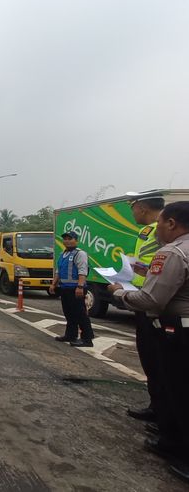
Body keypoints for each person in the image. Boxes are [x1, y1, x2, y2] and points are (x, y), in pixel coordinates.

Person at [107, 201, 189, 482]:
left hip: (177, 330)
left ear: (171, 224)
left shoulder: (173, 252)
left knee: (178, 388)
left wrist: (119, 293)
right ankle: (168, 430)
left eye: (162, 224)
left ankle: (179, 447)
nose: (157, 232)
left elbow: (152, 300)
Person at [124, 191, 166, 423]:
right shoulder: (146, 231)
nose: (133, 212)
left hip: (159, 301)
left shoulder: (164, 232)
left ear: (141, 207)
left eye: (133, 207)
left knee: (161, 360)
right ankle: (157, 407)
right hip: (142, 294)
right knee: (149, 357)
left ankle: (166, 415)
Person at [49, 231, 95, 347]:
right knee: (69, 313)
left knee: (80, 314)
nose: (67, 241)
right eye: (65, 239)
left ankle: (87, 339)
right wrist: (53, 284)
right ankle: (70, 335)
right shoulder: (62, 254)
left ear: (76, 240)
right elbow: (58, 271)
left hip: (76, 289)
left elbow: (82, 271)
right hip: (65, 289)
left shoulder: (80, 254)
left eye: (70, 238)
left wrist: (80, 286)